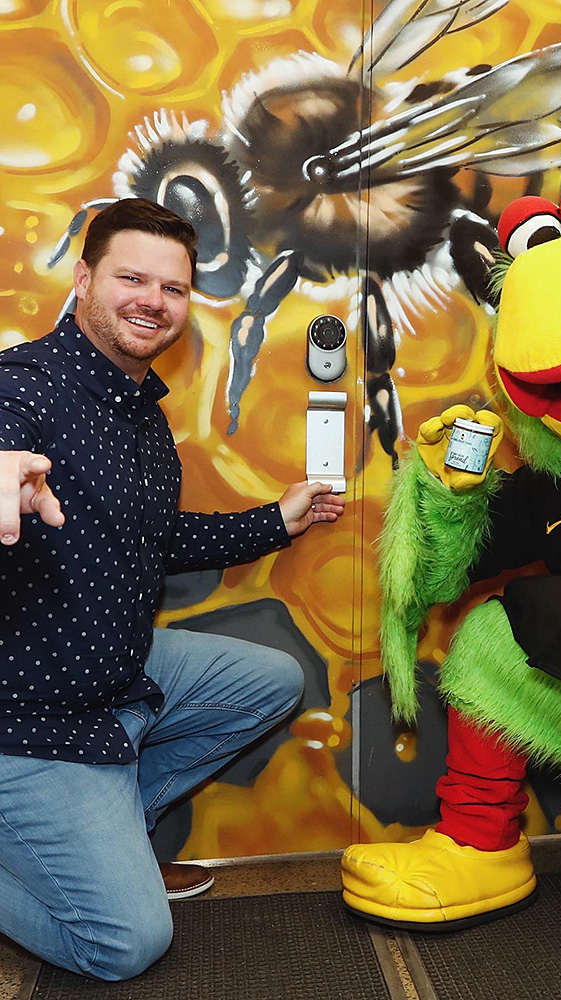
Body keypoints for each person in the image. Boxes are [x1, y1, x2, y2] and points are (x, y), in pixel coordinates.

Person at [0, 198, 345, 980]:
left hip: (112, 675)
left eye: (174, 288)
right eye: (131, 277)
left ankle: (112, 830)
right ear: (84, 279)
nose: (152, 300)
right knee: (125, 946)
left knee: (272, 679)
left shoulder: (139, 412)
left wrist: (274, 522)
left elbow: (151, 537)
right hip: (28, 716)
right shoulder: (25, 385)